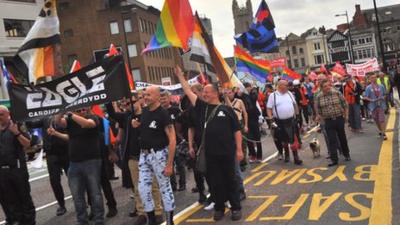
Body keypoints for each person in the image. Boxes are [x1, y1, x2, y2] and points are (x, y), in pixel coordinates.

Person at [175, 66, 243, 221]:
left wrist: (239, 150)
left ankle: (236, 207)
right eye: (203, 92)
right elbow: (188, 91)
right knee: (215, 182)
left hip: (227, 152)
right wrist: (180, 77)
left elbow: (237, 131)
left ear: (215, 93)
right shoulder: (201, 108)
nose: (203, 94)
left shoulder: (226, 109)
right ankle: (219, 207)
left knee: (230, 180)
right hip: (210, 154)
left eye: (207, 91)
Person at [107, 94, 163, 225]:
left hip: (148, 155)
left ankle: (158, 211)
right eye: (125, 104)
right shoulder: (126, 117)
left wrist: (139, 126)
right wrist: (108, 95)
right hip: (133, 158)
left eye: (131, 102)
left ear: (140, 100)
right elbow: (111, 113)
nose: (128, 106)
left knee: (153, 186)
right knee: (137, 187)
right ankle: (142, 213)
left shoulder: (148, 114)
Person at [132, 86, 176, 225]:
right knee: (143, 189)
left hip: (159, 154)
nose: (145, 97)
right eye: (144, 95)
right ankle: (151, 220)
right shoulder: (144, 111)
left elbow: (172, 139)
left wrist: (169, 164)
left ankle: (170, 221)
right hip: (144, 155)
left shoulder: (163, 114)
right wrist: (136, 124)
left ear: (157, 96)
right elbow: (143, 126)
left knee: (165, 188)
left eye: (149, 95)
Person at [55, 107, 104, 225]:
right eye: (79, 110)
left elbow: (87, 124)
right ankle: (82, 221)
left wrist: (71, 114)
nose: (82, 112)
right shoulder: (70, 120)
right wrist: (61, 109)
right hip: (74, 163)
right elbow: (58, 122)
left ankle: (99, 220)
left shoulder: (93, 118)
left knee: (95, 193)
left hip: (91, 161)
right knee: (77, 196)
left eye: (84, 109)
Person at [26, 117, 69, 216]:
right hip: (51, 153)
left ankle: (78, 199)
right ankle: (61, 205)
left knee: (73, 178)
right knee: (54, 181)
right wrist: (25, 116)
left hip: (66, 151)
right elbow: (32, 124)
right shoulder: (45, 118)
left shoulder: (64, 116)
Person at [0, 105, 35, 225]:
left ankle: (29, 221)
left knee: (24, 196)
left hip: (17, 169)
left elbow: (28, 144)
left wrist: (16, 133)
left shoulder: (17, 125)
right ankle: (16, 220)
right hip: (3, 171)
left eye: (1, 114)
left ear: (7, 114)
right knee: (9, 199)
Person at [315, 80, 351, 167]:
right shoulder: (319, 97)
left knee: (342, 137)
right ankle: (334, 159)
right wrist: (320, 119)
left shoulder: (337, 93)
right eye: (325, 86)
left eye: (328, 86)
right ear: (321, 88)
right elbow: (318, 110)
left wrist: (346, 116)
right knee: (331, 140)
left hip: (339, 119)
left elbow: (345, 104)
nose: (327, 88)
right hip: (328, 121)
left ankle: (346, 154)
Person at [266, 80, 303, 165]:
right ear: (280, 86)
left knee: (293, 140)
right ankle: (286, 155)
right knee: (283, 140)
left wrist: (297, 115)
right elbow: (269, 108)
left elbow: (295, 104)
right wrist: (271, 119)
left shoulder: (289, 93)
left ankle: (296, 157)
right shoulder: (273, 96)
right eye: (286, 85)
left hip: (290, 120)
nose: (288, 86)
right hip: (279, 122)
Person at [160, 90, 186, 192]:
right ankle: (173, 185)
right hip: (165, 142)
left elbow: (181, 124)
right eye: (161, 98)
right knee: (169, 164)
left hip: (177, 141)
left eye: (164, 98)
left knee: (179, 164)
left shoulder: (175, 110)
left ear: (169, 98)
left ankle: (182, 184)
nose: (163, 100)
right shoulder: (160, 112)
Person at [226, 88, 249, 170]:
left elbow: (245, 113)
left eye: (230, 92)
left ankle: (242, 162)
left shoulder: (239, 101)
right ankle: (235, 161)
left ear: (233, 93)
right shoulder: (224, 102)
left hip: (239, 122)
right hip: (229, 124)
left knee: (242, 143)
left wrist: (246, 125)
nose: (229, 94)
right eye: (227, 93)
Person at [242, 83, 263, 163]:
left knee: (257, 137)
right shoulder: (243, 96)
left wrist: (249, 92)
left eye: (248, 87)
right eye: (246, 87)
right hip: (246, 119)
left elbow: (253, 99)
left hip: (254, 118)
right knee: (249, 138)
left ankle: (259, 155)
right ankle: (253, 155)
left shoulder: (253, 93)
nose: (247, 89)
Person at [364, 73, 387, 140]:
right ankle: (380, 130)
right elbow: (365, 97)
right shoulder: (368, 88)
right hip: (373, 106)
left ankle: (384, 133)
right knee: (376, 120)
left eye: (375, 77)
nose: (374, 78)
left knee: (381, 120)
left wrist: (383, 97)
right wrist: (372, 100)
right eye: (372, 77)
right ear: (370, 79)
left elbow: (385, 94)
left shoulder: (381, 86)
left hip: (381, 105)